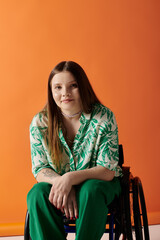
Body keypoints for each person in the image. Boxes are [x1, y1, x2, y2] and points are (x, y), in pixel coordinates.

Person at [27, 61, 122, 240]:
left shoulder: (103, 117)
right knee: (37, 193)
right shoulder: (40, 123)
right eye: (58, 87)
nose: (65, 93)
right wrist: (62, 184)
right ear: (51, 91)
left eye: (73, 86)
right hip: (58, 184)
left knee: (90, 190)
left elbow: (107, 170)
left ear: (83, 87)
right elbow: (40, 169)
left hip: (99, 183)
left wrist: (70, 178)